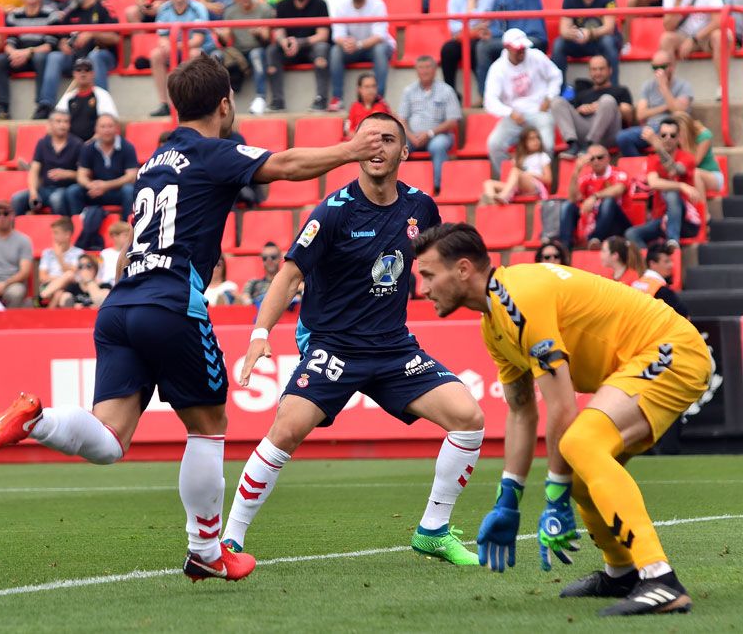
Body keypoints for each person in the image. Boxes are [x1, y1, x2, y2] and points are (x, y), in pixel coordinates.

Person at [0, 56, 386, 583]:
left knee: (111, 438)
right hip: (171, 303)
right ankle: (206, 550)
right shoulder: (213, 152)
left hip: (119, 304)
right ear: (224, 103)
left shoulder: (154, 159)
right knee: (209, 426)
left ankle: (38, 421)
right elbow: (285, 166)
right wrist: (351, 150)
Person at [225, 111, 485, 564]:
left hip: (393, 347)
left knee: (469, 418)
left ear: (404, 152)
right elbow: (288, 277)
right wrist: (260, 333)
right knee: (285, 430)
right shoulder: (333, 212)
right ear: (357, 150)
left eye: (388, 139)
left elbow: (437, 263)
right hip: (334, 346)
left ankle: (433, 530)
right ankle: (229, 540)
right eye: (369, 139)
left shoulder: (421, 207)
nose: (378, 147)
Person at [414, 222, 708, 616]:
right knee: (583, 471)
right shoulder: (494, 323)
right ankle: (622, 572)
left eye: (429, 275)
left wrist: (553, 495)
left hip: (672, 349)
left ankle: (660, 580)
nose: (424, 288)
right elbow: (520, 410)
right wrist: (508, 499)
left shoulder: (517, 298)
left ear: (463, 269)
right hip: (642, 361)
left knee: (579, 443)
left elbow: (563, 406)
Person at [483, 28, 561, 176]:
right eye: (517, 49)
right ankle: (511, 178)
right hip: (514, 115)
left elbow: (555, 76)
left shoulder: (536, 56)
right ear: (507, 48)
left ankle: (541, 179)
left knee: (548, 143)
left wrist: (549, 97)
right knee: (494, 144)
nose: (522, 52)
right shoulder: (497, 68)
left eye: (523, 48)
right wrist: (510, 112)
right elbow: (490, 101)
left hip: (539, 111)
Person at [0, 0, 64, 120]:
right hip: (19, 56)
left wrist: (27, 52)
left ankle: (41, 106)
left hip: (37, 56)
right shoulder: (14, 15)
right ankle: (3, 107)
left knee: (41, 58)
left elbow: (50, 45)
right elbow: (9, 42)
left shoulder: (51, 14)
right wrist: (14, 53)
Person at [625, 121, 704, 249]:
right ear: (659, 136)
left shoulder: (687, 157)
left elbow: (674, 170)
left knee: (672, 193)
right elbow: (654, 183)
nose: (668, 139)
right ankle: (650, 264)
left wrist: (658, 147)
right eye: (664, 135)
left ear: (678, 138)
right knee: (631, 234)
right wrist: (681, 186)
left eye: (672, 135)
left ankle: (673, 241)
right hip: (662, 220)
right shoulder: (652, 159)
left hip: (686, 221)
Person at [148, 0, 216, 117]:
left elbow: (198, 40)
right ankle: (164, 103)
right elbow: (162, 37)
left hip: (201, 50)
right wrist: (168, 46)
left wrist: (174, 46)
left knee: (193, 55)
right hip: (176, 48)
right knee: (156, 55)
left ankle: (191, 103)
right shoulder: (164, 9)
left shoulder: (198, 8)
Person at [476, 0, 545, 95]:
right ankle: (487, 96)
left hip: (533, 38)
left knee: (516, 48)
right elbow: (499, 27)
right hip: (511, 42)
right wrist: (490, 33)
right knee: (483, 46)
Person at [328, 0, 395, 108]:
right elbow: (337, 35)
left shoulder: (377, 3)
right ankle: (337, 98)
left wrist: (357, 44)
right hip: (353, 48)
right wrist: (346, 43)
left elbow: (379, 36)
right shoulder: (341, 6)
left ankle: (379, 99)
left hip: (373, 48)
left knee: (380, 49)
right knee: (335, 51)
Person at [266, 0, 330, 112]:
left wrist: (300, 42)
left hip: (310, 48)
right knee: (272, 51)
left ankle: (321, 98)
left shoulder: (320, 4)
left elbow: (323, 35)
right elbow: (278, 30)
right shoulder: (282, 4)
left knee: (322, 49)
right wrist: (284, 42)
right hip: (290, 49)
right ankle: (277, 101)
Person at [661, 0, 725, 99]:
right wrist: (678, 3)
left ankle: (722, 87)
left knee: (720, 36)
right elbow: (668, 27)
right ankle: (669, 89)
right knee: (666, 39)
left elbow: (718, 21)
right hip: (682, 36)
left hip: (705, 35)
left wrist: (694, 39)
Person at [399, 56, 462, 194]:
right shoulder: (409, 91)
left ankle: (438, 187)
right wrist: (410, 135)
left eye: (428, 67)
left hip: (439, 135)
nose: (424, 71)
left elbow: (453, 121)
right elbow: (402, 119)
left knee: (437, 146)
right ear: (416, 70)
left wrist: (429, 133)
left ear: (435, 70)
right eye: (421, 68)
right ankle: (396, 187)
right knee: (397, 147)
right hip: (412, 136)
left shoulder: (446, 90)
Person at [552, 0, 622, 87]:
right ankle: (559, 88)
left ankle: (614, 88)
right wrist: (571, 33)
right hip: (580, 41)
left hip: (600, 41)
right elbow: (563, 29)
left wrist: (590, 33)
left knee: (608, 42)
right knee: (559, 44)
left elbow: (609, 28)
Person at [552, 56, 633, 159]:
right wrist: (580, 110)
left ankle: (591, 144)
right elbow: (571, 116)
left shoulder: (620, 90)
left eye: (601, 69)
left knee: (607, 100)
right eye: (594, 69)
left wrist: (604, 106)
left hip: (608, 133)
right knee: (557, 101)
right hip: (585, 132)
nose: (598, 73)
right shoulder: (583, 94)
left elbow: (629, 117)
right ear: (590, 72)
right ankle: (572, 144)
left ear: (610, 70)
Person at [615, 51, 693, 157]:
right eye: (655, 68)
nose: (659, 71)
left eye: (663, 66)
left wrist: (664, 87)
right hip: (651, 127)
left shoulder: (684, 85)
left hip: (673, 127)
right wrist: (666, 107)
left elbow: (678, 111)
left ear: (672, 66)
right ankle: (641, 167)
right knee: (622, 137)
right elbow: (640, 114)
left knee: (667, 133)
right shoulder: (648, 86)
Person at [555, 145, 632, 251]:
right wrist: (576, 170)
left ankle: (596, 239)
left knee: (608, 202)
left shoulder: (619, 173)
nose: (596, 161)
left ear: (608, 158)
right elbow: (572, 198)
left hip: (618, 223)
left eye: (600, 157)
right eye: (592, 158)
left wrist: (595, 196)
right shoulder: (586, 178)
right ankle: (565, 246)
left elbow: (619, 189)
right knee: (567, 206)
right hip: (594, 221)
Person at [440, 0, 496, 96]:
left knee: (474, 47)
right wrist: (473, 28)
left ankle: (485, 93)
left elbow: (485, 26)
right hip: (462, 39)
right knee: (447, 50)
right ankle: (451, 95)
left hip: (480, 40)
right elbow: (454, 29)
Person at [218, 0, 275, 115]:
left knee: (256, 54)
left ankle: (260, 98)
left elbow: (267, 39)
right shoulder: (230, 12)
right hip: (238, 52)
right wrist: (221, 35)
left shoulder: (264, 10)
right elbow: (225, 41)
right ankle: (217, 99)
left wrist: (259, 33)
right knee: (217, 55)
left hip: (258, 50)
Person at [56, 0, 119, 90]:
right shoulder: (71, 12)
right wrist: (64, 45)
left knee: (94, 56)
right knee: (54, 57)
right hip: (75, 57)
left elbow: (115, 38)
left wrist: (92, 34)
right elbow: (63, 38)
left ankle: (101, 103)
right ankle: (45, 103)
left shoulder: (104, 8)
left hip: (102, 56)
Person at [13, 111, 82, 215]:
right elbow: (34, 171)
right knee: (17, 199)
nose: (62, 125)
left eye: (66, 122)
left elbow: (86, 174)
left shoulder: (77, 144)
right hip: (44, 190)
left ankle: (63, 229)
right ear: (50, 124)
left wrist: (67, 174)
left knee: (56, 199)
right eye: (58, 121)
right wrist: (33, 192)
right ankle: (15, 230)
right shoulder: (42, 143)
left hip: (65, 190)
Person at [69, 115, 138, 217]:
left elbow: (131, 177)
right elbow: (81, 175)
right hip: (94, 191)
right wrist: (91, 185)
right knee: (73, 191)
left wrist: (106, 185)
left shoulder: (127, 147)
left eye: (110, 126)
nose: (107, 130)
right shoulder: (88, 148)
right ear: (96, 129)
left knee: (129, 190)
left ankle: (126, 226)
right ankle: (78, 227)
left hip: (117, 191)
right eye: (103, 126)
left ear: (116, 128)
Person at [480, 127, 551, 205]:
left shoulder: (542, 156)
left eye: (537, 138)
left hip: (533, 185)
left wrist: (533, 175)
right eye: (531, 139)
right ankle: (493, 202)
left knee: (515, 171)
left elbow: (548, 179)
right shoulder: (521, 158)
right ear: (524, 143)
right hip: (518, 187)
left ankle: (504, 197)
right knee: (488, 183)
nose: (536, 141)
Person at [55, 58, 119, 141]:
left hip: (96, 146)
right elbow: (56, 122)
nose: (83, 73)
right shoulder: (68, 97)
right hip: (71, 147)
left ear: (93, 74)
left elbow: (110, 124)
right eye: (79, 70)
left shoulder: (102, 95)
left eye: (87, 70)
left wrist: (89, 144)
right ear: (74, 74)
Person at [671, 111, 723, 193]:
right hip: (685, 177)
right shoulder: (671, 137)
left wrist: (683, 143)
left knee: (695, 173)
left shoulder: (704, 136)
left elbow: (693, 163)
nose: (677, 135)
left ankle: (700, 206)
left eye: (680, 132)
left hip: (711, 176)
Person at [38, 217, 84, 306]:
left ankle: (40, 298)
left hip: (70, 288)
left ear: (67, 234)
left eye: (56, 233)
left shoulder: (79, 253)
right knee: (61, 293)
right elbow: (42, 277)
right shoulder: (47, 253)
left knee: (66, 292)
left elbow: (73, 275)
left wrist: (59, 257)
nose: (53, 236)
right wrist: (60, 281)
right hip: (49, 286)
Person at [631, 244, 688, 316]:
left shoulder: (636, 284)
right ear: (652, 263)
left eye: (671, 261)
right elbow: (684, 316)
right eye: (666, 261)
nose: (671, 265)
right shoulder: (662, 290)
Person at [344, 73, 391, 137]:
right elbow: (349, 131)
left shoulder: (382, 106)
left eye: (373, 86)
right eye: (367, 86)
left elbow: (388, 130)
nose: (371, 90)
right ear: (359, 89)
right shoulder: (354, 107)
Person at [98, 221, 132, 286]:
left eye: (129, 235)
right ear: (115, 236)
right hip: (105, 285)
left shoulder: (130, 253)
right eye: (125, 235)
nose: (128, 238)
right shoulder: (104, 253)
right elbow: (99, 272)